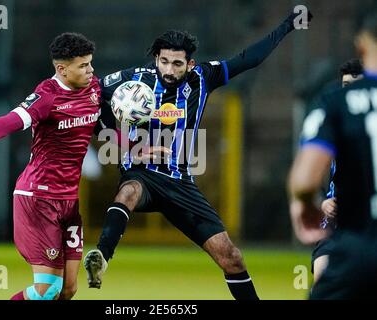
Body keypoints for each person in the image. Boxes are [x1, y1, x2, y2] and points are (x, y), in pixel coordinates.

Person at [84, 10, 312, 300]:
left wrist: (287, 26)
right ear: (156, 59)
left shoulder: (203, 78)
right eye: (164, 61)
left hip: (181, 183)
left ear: (189, 64)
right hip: (142, 173)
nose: (169, 70)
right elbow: (91, 95)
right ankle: (101, 258)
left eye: (177, 64)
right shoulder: (133, 80)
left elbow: (249, 58)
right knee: (128, 191)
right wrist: (123, 144)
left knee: (231, 257)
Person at [0, 33, 102, 300]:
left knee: (68, 289)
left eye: (90, 63)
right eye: (83, 65)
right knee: (47, 289)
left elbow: (104, 125)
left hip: (68, 201)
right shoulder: (46, 96)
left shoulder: (94, 89)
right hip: (38, 199)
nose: (91, 70)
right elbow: (8, 122)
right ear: (61, 68)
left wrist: (138, 148)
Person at [288, 13, 377, 299]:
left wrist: (306, 206)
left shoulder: (335, 105)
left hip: (355, 241)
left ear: (362, 45)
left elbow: (303, 181)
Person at [311, 59, 363, 284]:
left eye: (355, 85)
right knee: (322, 275)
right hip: (335, 223)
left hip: (366, 222)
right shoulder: (333, 125)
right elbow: (309, 177)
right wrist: (322, 202)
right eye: (345, 85)